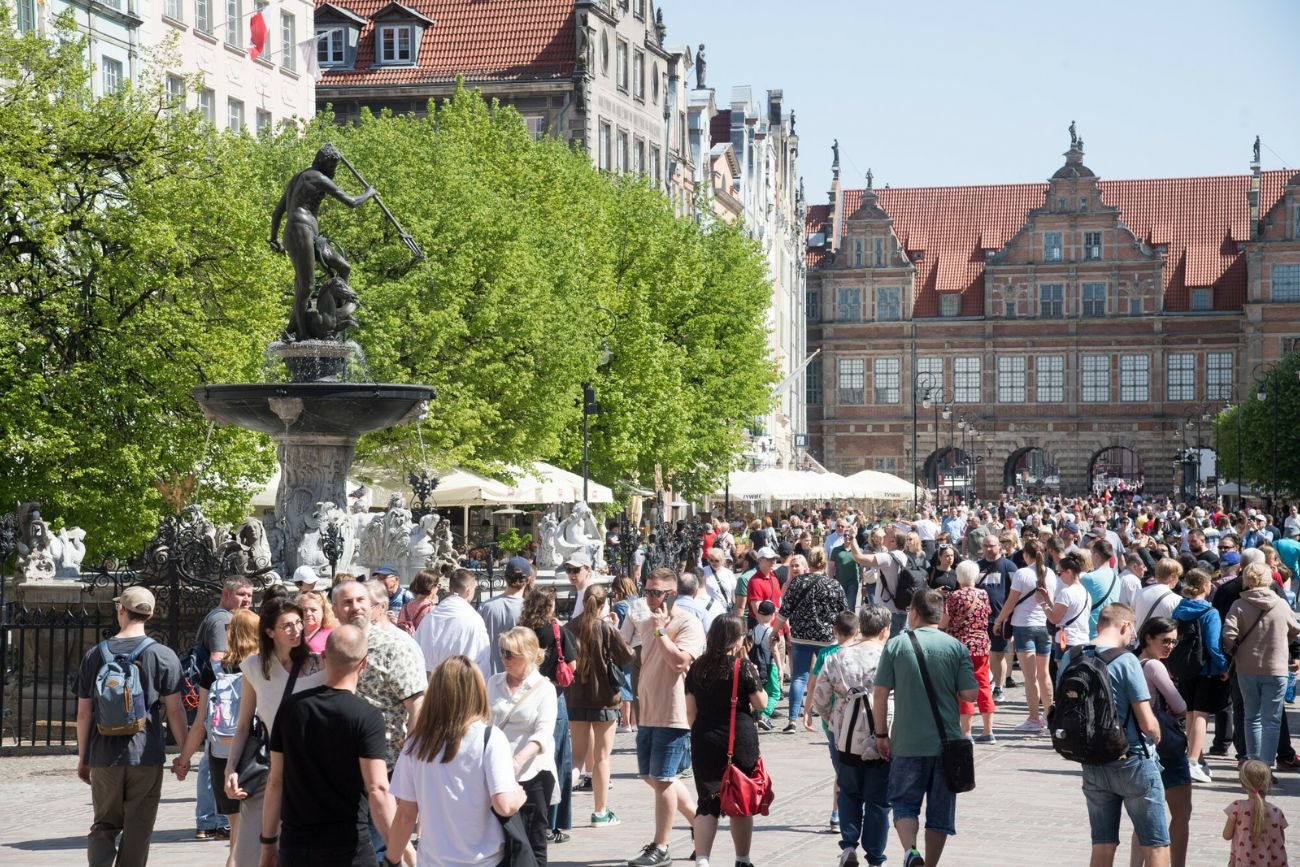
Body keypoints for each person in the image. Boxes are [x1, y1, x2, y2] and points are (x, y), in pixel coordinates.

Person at [75, 586, 189, 867]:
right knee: (139, 828)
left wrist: (84, 757)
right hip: (145, 755)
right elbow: (175, 711)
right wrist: (184, 755)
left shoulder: (94, 654)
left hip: (104, 754)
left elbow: (84, 713)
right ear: (151, 614)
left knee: (104, 824)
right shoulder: (163, 655)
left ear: (121, 610)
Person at [261, 625, 394, 867]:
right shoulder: (367, 716)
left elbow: (275, 781)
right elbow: (377, 789)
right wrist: (398, 852)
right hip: (349, 848)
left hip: (297, 847)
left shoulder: (291, 708)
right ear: (364, 664)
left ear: (323, 658)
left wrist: (268, 842)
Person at [385, 656, 528, 866]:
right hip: (484, 861)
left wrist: (391, 860)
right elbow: (504, 806)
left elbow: (406, 815)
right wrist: (519, 796)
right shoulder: (489, 739)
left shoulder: (415, 745)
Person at [1056, 604, 1169, 867]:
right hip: (1132, 760)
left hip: (1092, 761)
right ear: (1125, 626)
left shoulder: (1071, 657)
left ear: (1099, 625)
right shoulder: (1126, 660)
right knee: (1155, 844)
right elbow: (1147, 722)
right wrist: (1157, 734)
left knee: (1103, 844)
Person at [872, 590, 978, 867]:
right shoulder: (956, 648)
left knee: (904, 804)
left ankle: (911, 852)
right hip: (946, 744)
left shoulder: (896, 645)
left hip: (906, 742)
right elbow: (969, 695)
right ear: (941, 616)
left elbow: (880, 694)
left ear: (914, 612)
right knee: (940, 814)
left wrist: (881, 734)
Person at [223, 597, 328, 867]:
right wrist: (230, 768)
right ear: (270, 632)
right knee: (249, 855)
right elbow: (244, 725)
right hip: (268, 770)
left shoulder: (320, 665)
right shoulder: (254, 667)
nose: (296, 630)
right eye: (287, 626)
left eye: (298, 623)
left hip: (311, 772)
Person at [332, 579, 427, 865]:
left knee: (378, 852)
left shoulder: (394, 647)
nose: (355, 607)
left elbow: (418, 706)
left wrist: (408, 765)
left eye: (361, 600)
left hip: (384, 770)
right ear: (334, 609)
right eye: (347, 603)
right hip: (339, 771)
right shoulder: (332, 647)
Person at [627, 567, 706, 867]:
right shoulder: (648, 620)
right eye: (646, 591)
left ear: (672, 595)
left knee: (662, 779)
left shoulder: (688, 623)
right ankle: (700, 823)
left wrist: (661, 631)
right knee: (653, 776)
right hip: (648, 710)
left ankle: (661, 847)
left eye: (656, 593)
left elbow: (678, 662)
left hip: (673, 713)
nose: (650, 598)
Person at [175, 608, 260, 867]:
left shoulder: (213, 668)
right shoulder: (262, 666)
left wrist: (183, 760)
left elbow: (200, 723)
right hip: (255, 752)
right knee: (253, 834)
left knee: (236, 832)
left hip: (221, 753)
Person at [269, 142, 376, 340]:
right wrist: (369, 193)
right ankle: (301, 333)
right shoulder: (317, 177)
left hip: (310, 234)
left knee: (344, 268)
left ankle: (333, 317)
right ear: (323, 162)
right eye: (332, 166)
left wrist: (274, 237)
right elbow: (351, 202)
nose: (334, 170)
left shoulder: (297, 178)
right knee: (306, 287)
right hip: (299, 231)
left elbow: (277, 213)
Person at [684, 616, 767, 867]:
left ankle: (702, 860)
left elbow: (690, 712)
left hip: (705, 738)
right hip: (739, 740)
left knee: (707, 801)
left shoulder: (697, 667)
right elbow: (760, 703)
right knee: (740, 798)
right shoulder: (743, 667)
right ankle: (742, 859)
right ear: (735, 639)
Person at [814, 604, 893, 867]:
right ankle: (875, 857)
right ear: (885, 630)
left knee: (848, 792)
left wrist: (834, 719)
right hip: (883, 733)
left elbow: (820, 699)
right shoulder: (889, 657)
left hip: (845, 735)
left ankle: (848, 845)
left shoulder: (837, 656)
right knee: (879, 800)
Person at [190, 576, 254, 841]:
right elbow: (218, 660)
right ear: (226, 594)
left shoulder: (223, 617)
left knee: (213, 759)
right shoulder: (222, 620)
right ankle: (213, 820)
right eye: (241, 594)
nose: (247, 600)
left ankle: (212, 820)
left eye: (250, 595)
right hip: (223, 706)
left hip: (221, 705)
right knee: (212, 760)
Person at [565, 584, 634, 828]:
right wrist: (615, 627)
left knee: (577, 759)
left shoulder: (569, 627)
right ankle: (600, 812)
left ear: (583, 602)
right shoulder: (605, 628)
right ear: (603, 605)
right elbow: (627, 655)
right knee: (602, 757)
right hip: (605, 700)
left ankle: (557, 806)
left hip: (576, 698)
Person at [490, 627, 560, 864]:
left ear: (528, 654)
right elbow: (484, 723)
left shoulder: (544, 688)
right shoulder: (493, 683)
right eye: (502, 652)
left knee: (532, 841)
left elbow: (543, 733)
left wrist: (518, 760)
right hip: (497, 772)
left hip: (533, 772)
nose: (504, 658)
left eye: (510, 654)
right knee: (502, 841)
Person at [1222, 562, 1300, 768]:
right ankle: (1266, 766)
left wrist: (1235, 651)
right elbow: (1295, 629)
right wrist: (1282, 644)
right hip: (1276, 668)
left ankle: (1253, 764)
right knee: (1272, 720)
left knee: (1251, 717)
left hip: (1246, 668)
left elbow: (1227, 635)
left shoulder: (1239, 605)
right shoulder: (1281, 604)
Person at [521, 588, 578, 843]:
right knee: (556, 760)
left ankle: (528, 817)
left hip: (524, 697)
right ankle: (551, 824)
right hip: (553, 696)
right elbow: (572, 665)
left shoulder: (521, 632)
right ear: (549, 606)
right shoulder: (556, 631)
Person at [1134, 616, 1192, 867]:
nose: (1170, 646)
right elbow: (1180, 706)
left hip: (1139, 746)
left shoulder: (1132, 662)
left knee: (1144, 818)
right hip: (1165, 746)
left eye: (1174, 642)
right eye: (1166, 641)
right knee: (1181, 813)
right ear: (1148, 638)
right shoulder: (1154, 667)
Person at [774, 549, 848, 734]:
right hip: (827, 638)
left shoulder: (797, 582)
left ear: (809, 563)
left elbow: (784, 611)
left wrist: (774, 631)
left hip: (801, 636)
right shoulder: (833, 584)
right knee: (828, 676)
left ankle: (792, 720)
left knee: (799, 677)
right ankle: (829, 717)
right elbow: (844, 613)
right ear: (824, 563)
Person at [1169, 568, 1229, 785]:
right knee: (1202, 714)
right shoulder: (1210, 612)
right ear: (1205, 586)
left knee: (1190, 713)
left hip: (1185, 667)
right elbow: (1213, 645)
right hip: (1206, 669)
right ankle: (1193, 760)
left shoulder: (1179, 608)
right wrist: (1224, 666)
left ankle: (1196, 757)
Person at [993, 538, 1057, 732]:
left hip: (1023, 626)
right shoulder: (1051, 573)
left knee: (1030, 676)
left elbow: (1010, 602)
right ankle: (1049, 716)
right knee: (1044, 674)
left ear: (1025, 554)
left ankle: (1033, 718)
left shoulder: (1022, 573)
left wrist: (998, 621)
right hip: (1044, 625)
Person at [940, 560, 996, 742]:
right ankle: (988, 731)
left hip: (960, 647)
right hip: (981, 646)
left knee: (963, 687)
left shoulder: (954, 596)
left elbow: (944, 621)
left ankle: (966, 733)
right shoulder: (983, 594)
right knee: (984, 685)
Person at [415, 567, 491, 674]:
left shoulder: (430, 617)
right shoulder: (474, 620)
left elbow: (416, 654)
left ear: (450, 589)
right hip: (462, 679)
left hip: (432, 679)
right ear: (469, 590)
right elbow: (482, 659)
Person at [1222, 759, 1289, 866]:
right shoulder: (1276, 811)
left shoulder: (1237, 808)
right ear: (1269, 784)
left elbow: (1226, 835)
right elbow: (1281, 840)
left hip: (1244, 861)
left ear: (1243, 785)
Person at [975, 535, 1017, 700]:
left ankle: (998, 688)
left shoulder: (1009, 566)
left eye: (991, 545)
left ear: (999, 546)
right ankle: (985, 685)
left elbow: (1016, 594)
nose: (988, 549)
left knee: (998, 654)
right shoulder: (977, 566)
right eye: (985, 545)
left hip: (1000, 619)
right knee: (981, 655)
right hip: (979, 619)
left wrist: (1010, 619)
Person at [480, 557, 532, 675]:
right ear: (528, 580)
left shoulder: (486, 607)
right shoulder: (530, 610)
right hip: (518, 676)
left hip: (489, 675)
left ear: (505, 578)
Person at [610, 577, 640, 732]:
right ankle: (635, 722)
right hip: (638, 646)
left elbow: (618, 629)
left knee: (626, 684)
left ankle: (626, 723)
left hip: (625, 646)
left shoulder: (619, 606)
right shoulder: (639, 603)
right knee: (635, 683)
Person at [748, 600, 782, 730]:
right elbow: (775, 651)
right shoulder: (771, 631)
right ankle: (764, 715)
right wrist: (780, 668)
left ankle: (758, 716)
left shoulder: (753, 630)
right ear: (772, 615)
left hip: (756, 665)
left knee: (761, 691)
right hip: (770, 665)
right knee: (774, 693)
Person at [1080, 539, 1120, 638]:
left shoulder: (1088, 578)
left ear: (1096, 556)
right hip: (1109, 630)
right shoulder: (1117, 578)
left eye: (1092, 554)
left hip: (1091, 633)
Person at [396, 569, 439, 636]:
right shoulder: (433, 610)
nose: (437, 589)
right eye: (437, 586)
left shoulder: (404, 608)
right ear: (432, 587)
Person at [300, 587, 337, 654]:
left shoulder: (332, 635)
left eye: (313, 610)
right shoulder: (295, 633)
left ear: (323, 611)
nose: (308, 613)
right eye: (304, 610)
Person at [564, 551, 596, 618]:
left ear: (589, 570)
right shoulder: (582, 592)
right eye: (568, 570)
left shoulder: (592, 594)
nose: (571, 574)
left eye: (576, 570)